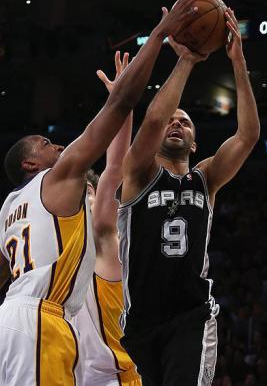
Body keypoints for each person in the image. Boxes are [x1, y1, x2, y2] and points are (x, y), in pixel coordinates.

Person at [0, 0, 199, 386]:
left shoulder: (9, 208)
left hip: (37, 332)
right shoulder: (55, 183)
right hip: (42, 323)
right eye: (45, 143)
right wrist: (157, 38)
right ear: (30, 164)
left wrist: (122, 113)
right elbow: (110, 152)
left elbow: (111, 173)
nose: (57, 145)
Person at [116, 8, 260, 385]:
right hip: (138, 321)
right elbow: (150, 121)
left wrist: (238, 64)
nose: (176, 123)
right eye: (171, 120)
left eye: (186, 122)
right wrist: (187, 60)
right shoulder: (140, 172)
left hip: (190, 316)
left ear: (195, 143)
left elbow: (247, 136)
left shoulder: (206, 178)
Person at [73, 52, 141, 385]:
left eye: (84, 194)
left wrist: (121, 102)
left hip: (115, 377)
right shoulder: (57, 255)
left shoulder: (102, 242)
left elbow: (113, 169)